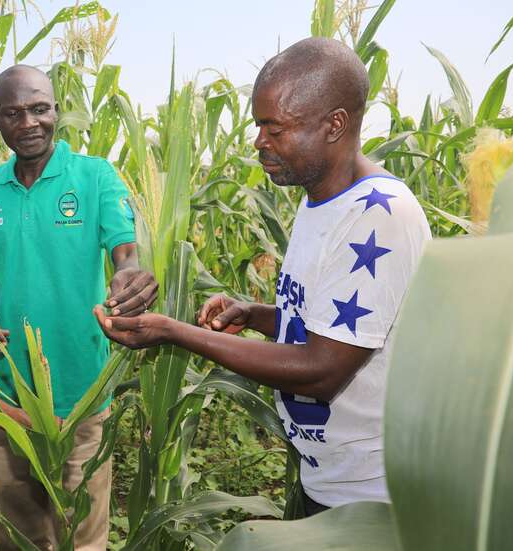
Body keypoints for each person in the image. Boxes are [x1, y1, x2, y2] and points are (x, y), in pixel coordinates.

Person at [94, 38, 432, 516]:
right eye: (258, 126)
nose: (258, 142)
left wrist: (173, 332)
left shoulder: (377, 215)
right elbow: (341, 324)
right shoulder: (322, 200)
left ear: (334, 124)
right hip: (330, 476)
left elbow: (323, 368)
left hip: (375, 498)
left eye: (275, 128)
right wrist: (255, 314)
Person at [0, 64, 157, 550]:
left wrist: (129, 278)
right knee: (19, 537)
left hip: (82, 391)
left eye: (39, 109)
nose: (29, 123)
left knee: (83, 536)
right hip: (6, 393)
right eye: (13, 113)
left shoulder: (94, 176)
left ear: (56, 111)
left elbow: (125, 254)